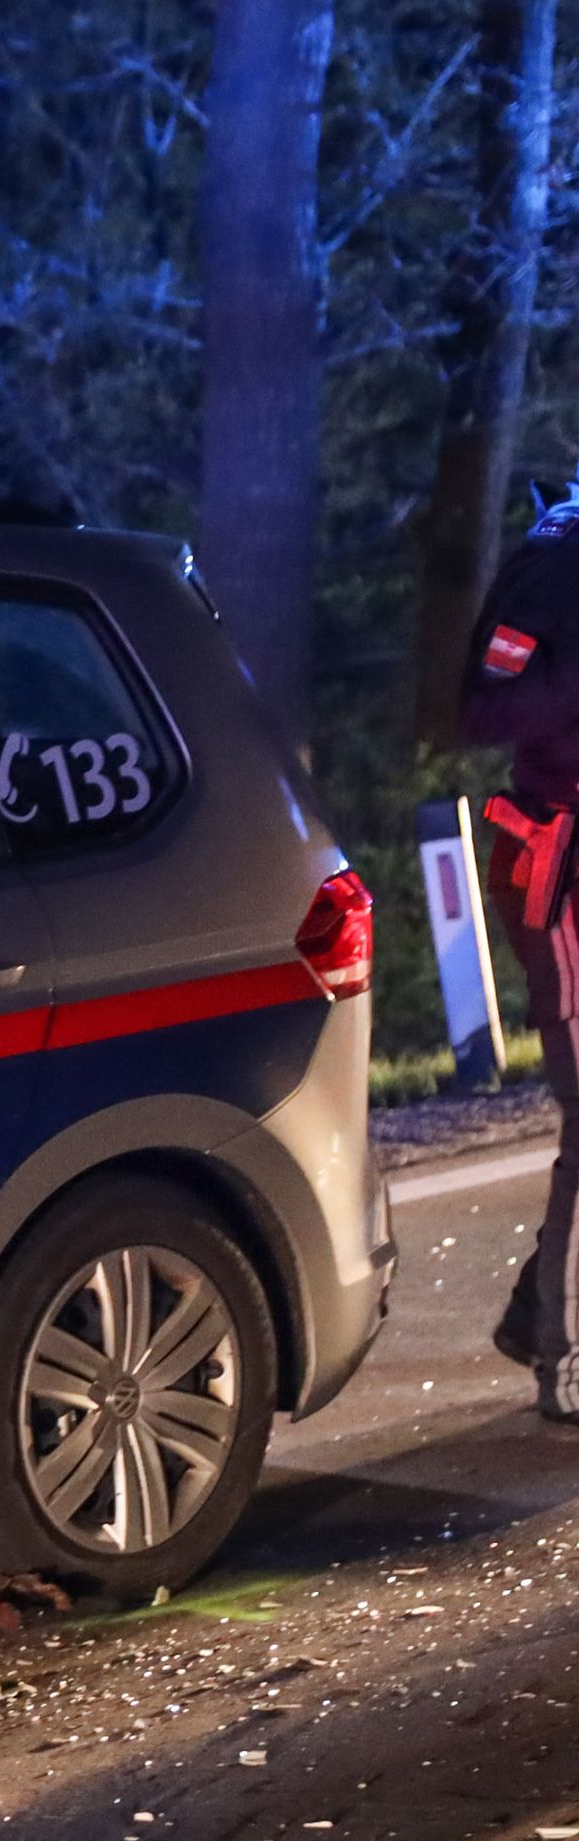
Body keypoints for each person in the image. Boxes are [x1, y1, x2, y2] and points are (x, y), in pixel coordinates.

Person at [460, 486, 579, 1422]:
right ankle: (556, 1350)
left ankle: (536, 1309)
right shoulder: (553, 563)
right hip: (559, 859)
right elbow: (481, 710)